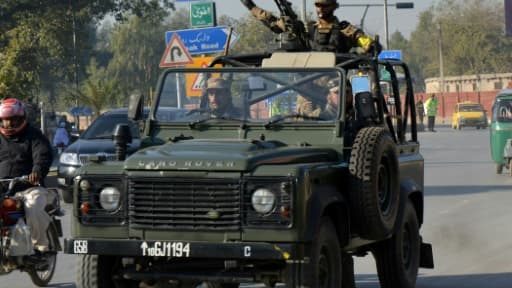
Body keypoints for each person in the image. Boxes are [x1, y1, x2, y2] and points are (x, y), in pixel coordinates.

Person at [0, 98, 53, 254]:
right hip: (3, 189)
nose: (8, 124)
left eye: (13, 120)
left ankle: (40, 246)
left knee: (33, 207)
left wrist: (36, 171)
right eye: (5, 120)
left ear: (22, 118)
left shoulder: (34, 135)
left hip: (29, 188)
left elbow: (42, 155)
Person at [241, 0, 381, 54]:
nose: (320, 9)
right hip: (310, 83)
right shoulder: (307, 29)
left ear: (333, 6)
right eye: (318, 5)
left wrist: (362, 54)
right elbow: (274, 23)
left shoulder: (346, 30)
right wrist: (251, 7)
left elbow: (369, 45)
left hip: (337, 82)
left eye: (324, 6)